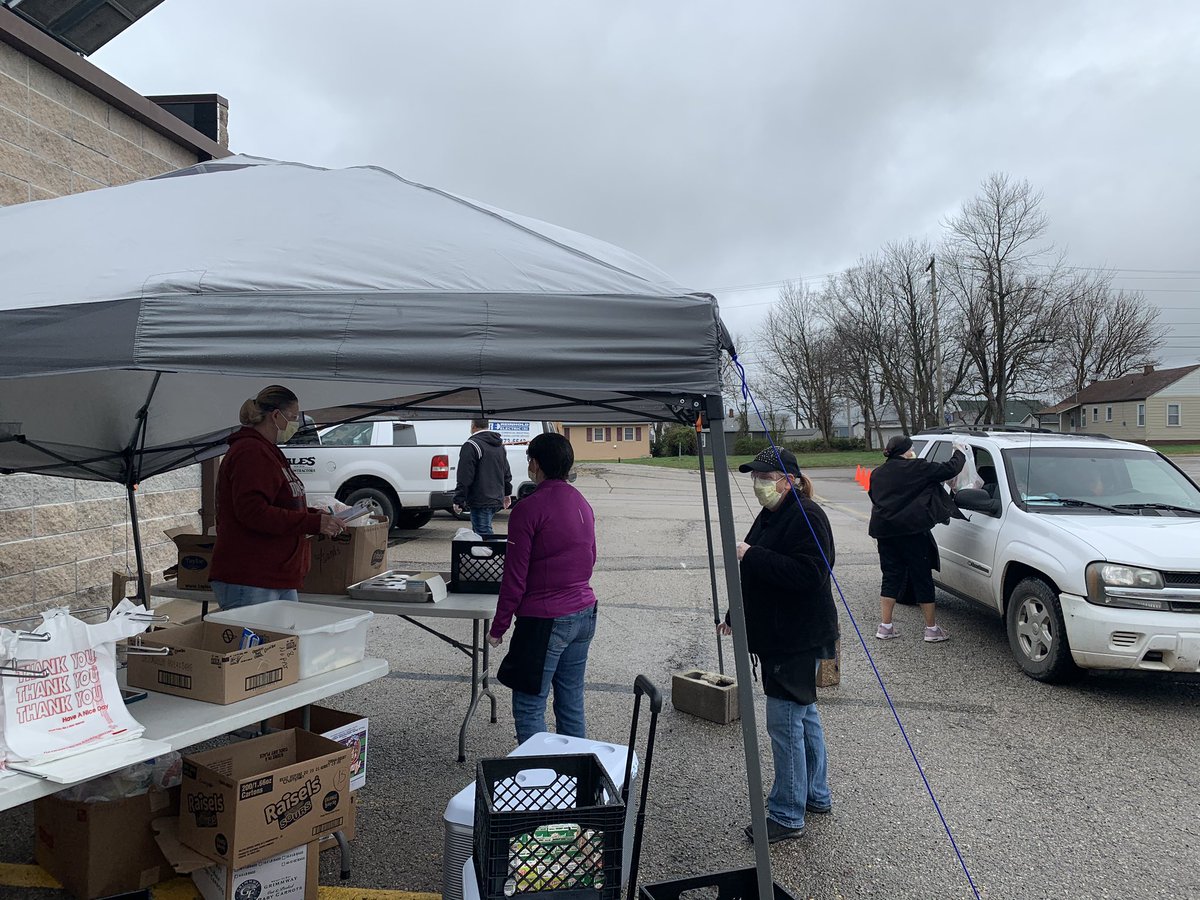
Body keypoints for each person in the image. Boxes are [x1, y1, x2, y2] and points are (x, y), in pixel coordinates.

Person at [718, 447, 838, 844]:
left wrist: (753, 555)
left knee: (785, 723)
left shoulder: (807, 515)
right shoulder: (773, 513)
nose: (758, 484)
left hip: (797, 638)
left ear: (788, 481)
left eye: (765, 478)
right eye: (755, 477)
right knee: (804, 717)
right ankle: (815, 794)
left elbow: (811, 573)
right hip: (782, 634)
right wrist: (735, 615)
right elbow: (754, 575)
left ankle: (787, 813)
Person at [487, 432, 597, 744]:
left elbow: (514, 576)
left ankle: (538, 771)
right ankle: (576, 769)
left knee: (529, 704)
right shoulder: (582, 502)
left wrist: (499, 627)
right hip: (584, 611)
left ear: (535, 463)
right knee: (571, 701)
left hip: (545, 619)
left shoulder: (528, 508)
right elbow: (591, 557)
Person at [209, 385, 344, 609]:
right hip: (252, 576)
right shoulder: (250, 452)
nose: (296, 424)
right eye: (293, 417)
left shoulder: (268, 451)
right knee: (258, 633)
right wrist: (311, 522)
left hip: (275, 575)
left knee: (286, 632)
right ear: (275, 416)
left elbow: (280, 504)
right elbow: (253, 512)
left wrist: (314, 516)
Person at [868, 434, 966, 642]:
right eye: (911, 449)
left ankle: (885, 626)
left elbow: (874, 497)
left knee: (890, 576)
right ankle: (931, 629)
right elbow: (950, 469)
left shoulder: (877, 473)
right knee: (921, 577)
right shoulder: (918, 468)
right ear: (906, 452)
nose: (913, 452)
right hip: (913, 532)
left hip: (885, 532)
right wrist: (960, 452)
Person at [452, 418, 513, 536]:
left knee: (483, 535)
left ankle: (496, 548)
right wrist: (507, 493)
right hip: (497, 497)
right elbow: (506, 471)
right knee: (482, 533)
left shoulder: (472, 445)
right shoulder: (499, 445)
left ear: (473, 425)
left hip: (480, 499)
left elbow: (465, 476)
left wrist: (459, 499)